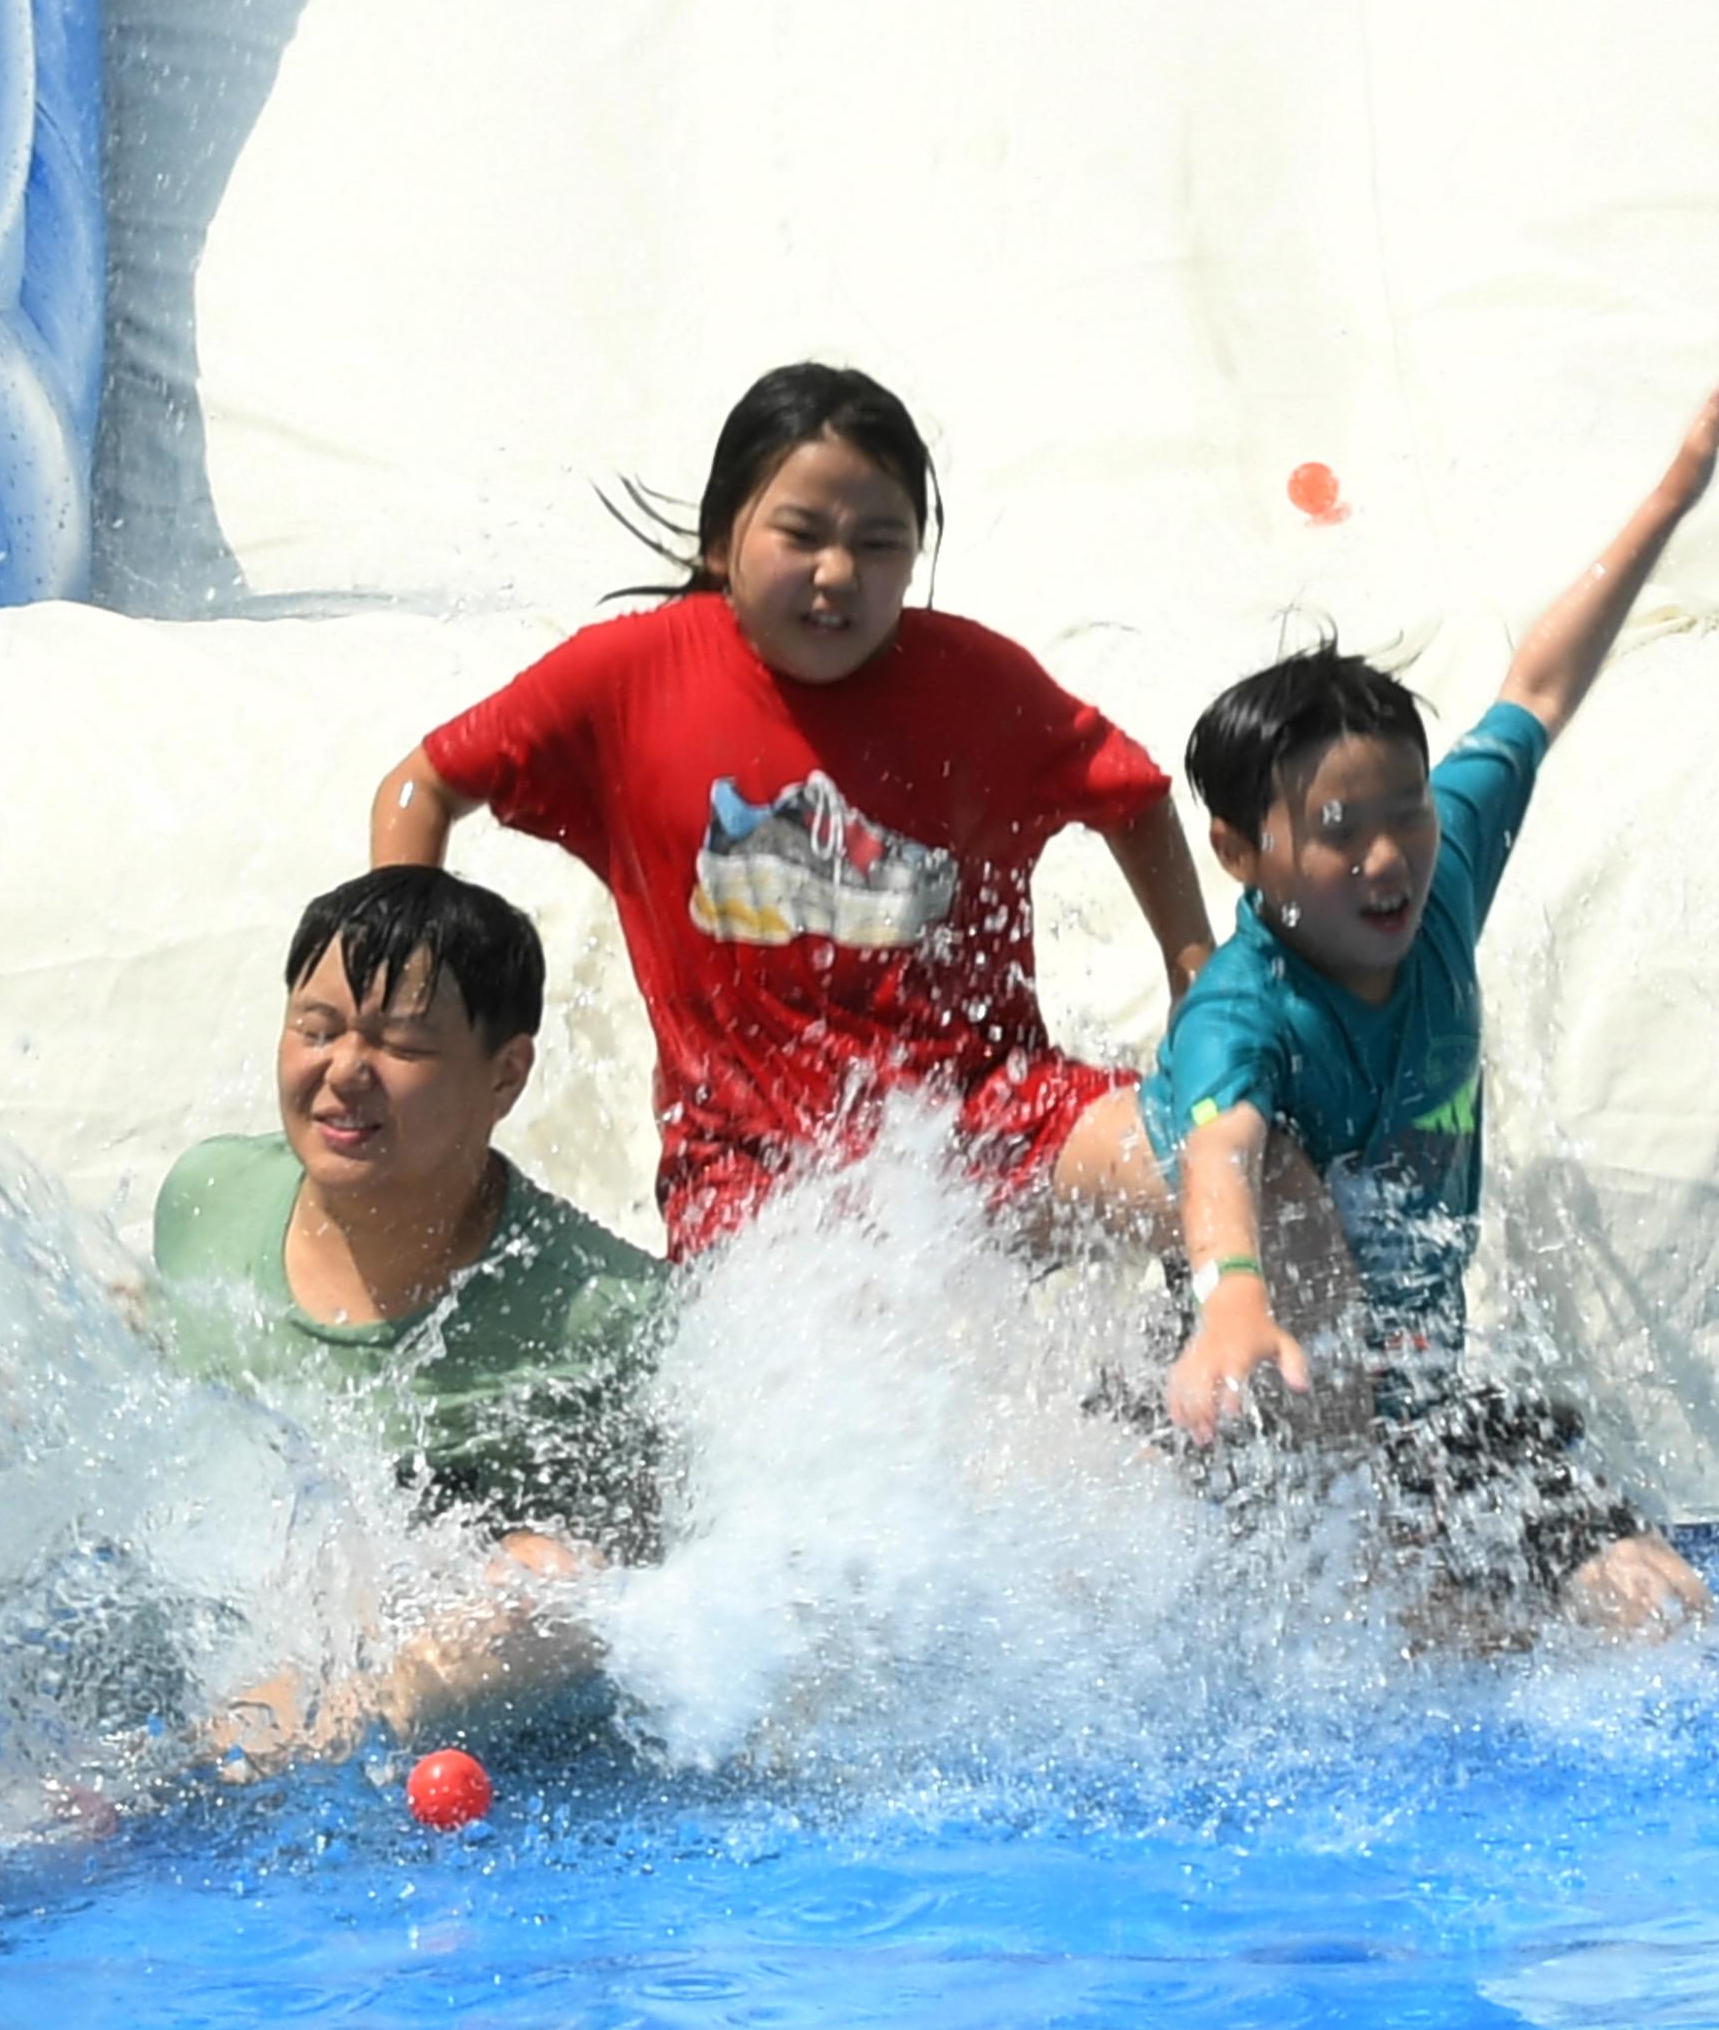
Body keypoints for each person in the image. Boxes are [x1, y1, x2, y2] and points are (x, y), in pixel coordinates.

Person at [1149, 379, 1719, 1642]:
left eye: (1406, 812)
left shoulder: (1435, 897)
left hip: (1428, 1407)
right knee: (1406, 1628)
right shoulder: (1241, 1012)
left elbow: (1539, 687)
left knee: (1651, 1606)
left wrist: (1677, 484)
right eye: (1338, 831)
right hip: (1266, 1404)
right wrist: (1230, 1295)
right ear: (1239, 855)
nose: (1387, 857)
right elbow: (1217, 1147)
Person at [371, 363, 1215, 1257]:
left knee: (1235, 1178)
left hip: (988, 1118)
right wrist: (397, 1004)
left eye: (881, 542)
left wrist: (1193, 982)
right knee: (851, 1339)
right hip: (752, 1172)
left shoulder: (974, 685)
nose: (840, 573)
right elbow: (422, 786)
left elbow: (1134, 798)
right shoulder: (628, 682)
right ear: (718, 541)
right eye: (802, 534)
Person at [151, 867, 669, 1765]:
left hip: (476, 1729)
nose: (344, 1070)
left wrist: (391, 1689)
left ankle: (307, 1733)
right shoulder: (207, 1201)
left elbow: (638, 1578)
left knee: (550, 1577)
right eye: (315, 1030)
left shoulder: (605, 1310)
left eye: (402, 1046)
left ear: (505, 1076)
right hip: (233, 1646)